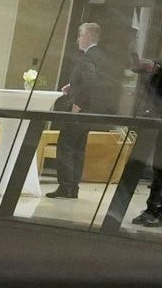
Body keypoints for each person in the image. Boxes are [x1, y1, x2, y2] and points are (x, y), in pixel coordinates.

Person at [42, 20, 114, 199]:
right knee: (78, 148)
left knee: (66, 146)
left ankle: (65, 186)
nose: (78, 39)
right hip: (91, 111)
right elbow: (92, 80)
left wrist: (77, 103)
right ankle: (73, 187)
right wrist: (72, 86)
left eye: (80, 35)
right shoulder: (100, 56)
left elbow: (90, 82)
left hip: (80, 110)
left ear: (88, 36)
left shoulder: (89, 57)